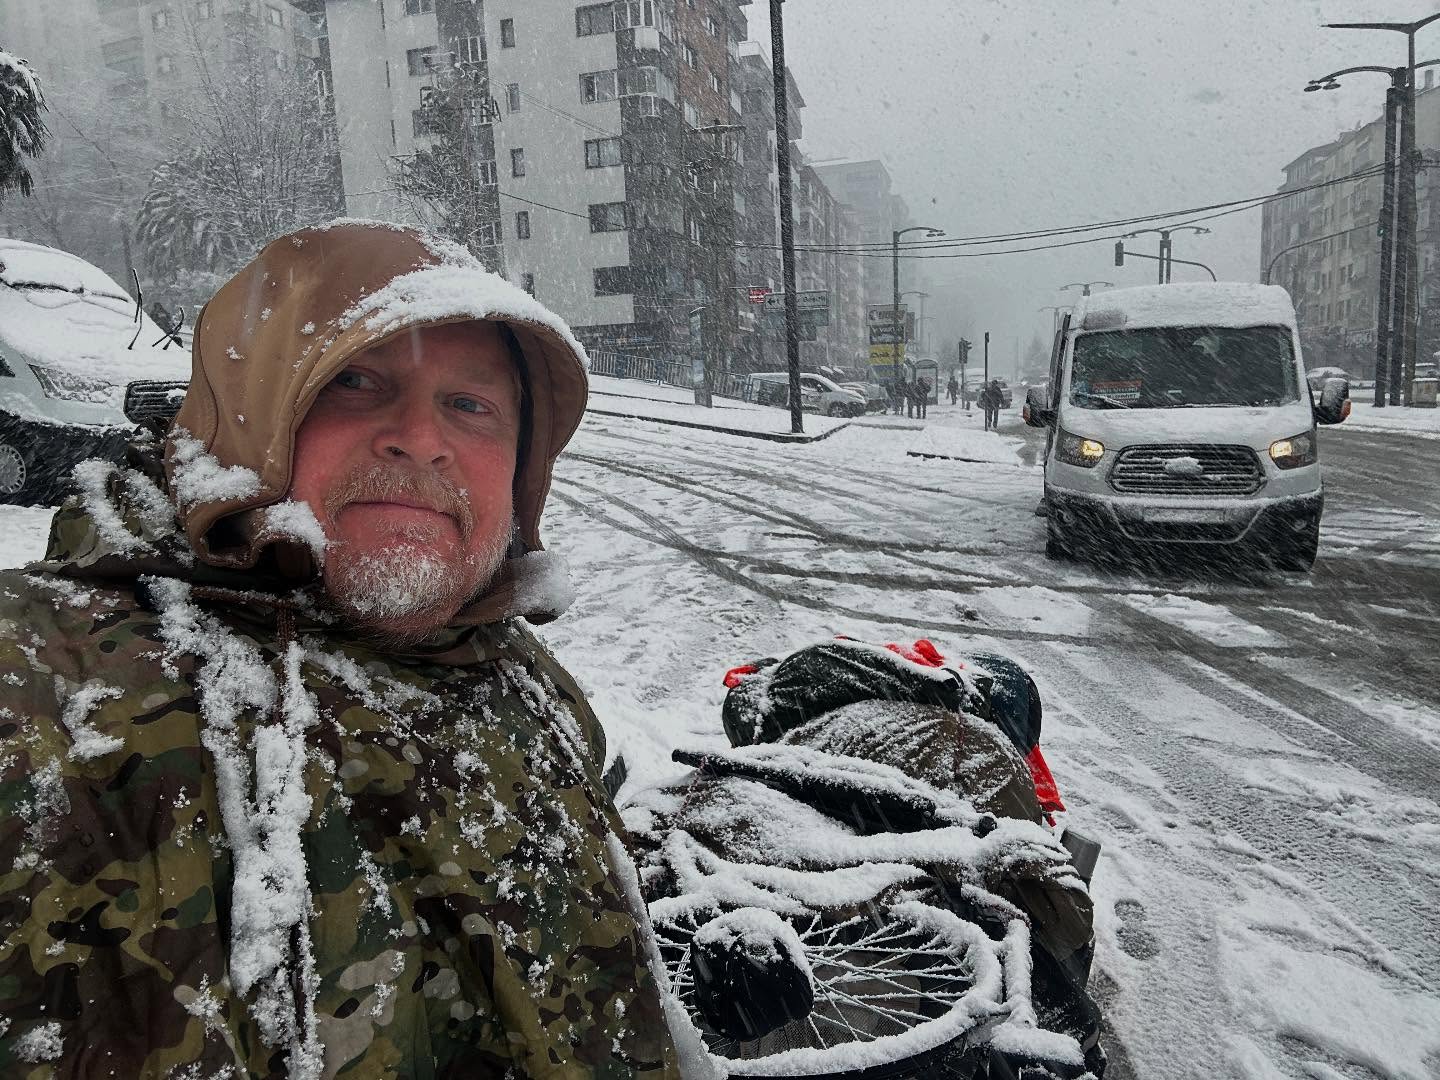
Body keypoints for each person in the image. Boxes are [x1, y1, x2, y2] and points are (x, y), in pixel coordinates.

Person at [0, 223, 680, 1078]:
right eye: (354, 382)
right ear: (244, 414)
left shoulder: (524, 681)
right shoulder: (48, 687)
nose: (421, 438)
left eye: (471, 406)